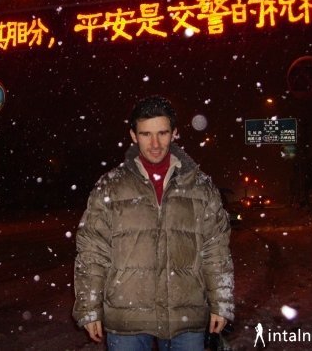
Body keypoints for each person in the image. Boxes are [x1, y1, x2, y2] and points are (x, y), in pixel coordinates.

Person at [73, 95, 234, 350]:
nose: (155, 144)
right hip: (128, 316)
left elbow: (215, 249)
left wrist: (221, 302)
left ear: (175, 133)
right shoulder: (111, 186)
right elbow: (93, 249)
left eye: (162, 133)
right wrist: (89, 306)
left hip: (186, 314)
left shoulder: (201, 186)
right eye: (146, 134)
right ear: (133, 136)